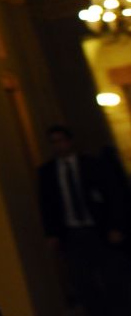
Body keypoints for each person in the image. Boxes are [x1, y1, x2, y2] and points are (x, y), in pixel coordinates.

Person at [37, 125, 130, 315]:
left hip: (98, 228)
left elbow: (113, 196)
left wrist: (115, 226)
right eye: (54, 142)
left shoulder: (93, 165)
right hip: (71, 232)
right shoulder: (47, 172)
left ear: (69, 141)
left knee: (112, 275)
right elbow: (47, 204)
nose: (58, 146)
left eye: (61, 141)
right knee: (82, 280)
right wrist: (52, 233)